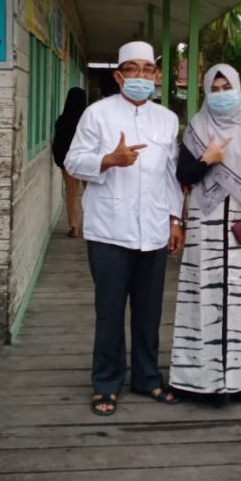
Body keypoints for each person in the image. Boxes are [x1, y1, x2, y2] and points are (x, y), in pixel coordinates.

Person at [64, 41, 184, 416]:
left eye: (147, 70)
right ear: (118, 76)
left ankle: (147, 377)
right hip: (108, 230)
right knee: (110, 312)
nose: (141, 76)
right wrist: (108, 160)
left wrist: (175, 219)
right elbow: (72, 161)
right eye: (132, 69)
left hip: (154, 228)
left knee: (149, 311)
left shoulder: (167, 119)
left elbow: (171, 175)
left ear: (156, 76)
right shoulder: (96, 115)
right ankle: (106, 382)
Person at [169, 64, 241, 406]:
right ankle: (200, 381)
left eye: (226, 87)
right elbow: (183, 175)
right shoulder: (196, 130)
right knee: (204, 297)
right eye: (214, 89)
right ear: (206, 92)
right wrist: (207, 159)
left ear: (237, 88)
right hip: (205, 222)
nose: (221, 94)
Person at [52, 87, 87, 237]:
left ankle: (74, 226)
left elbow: (57, 144)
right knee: (91, 195)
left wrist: (61, 162)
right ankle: (92, 225)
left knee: (71, 195)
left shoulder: (62, 120)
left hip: (68, 163)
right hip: (87, 162)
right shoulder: (87, 120)